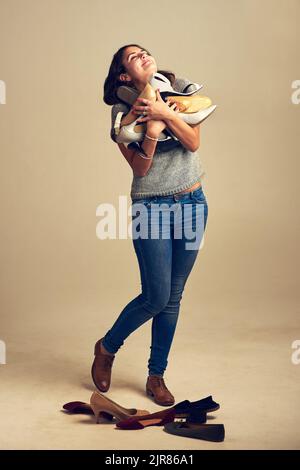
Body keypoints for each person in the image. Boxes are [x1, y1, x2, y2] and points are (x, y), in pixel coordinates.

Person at [92, 44, 209, 407]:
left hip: (193, 202)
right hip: (152, 208)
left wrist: (163, 111)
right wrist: (153, 128)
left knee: (172, 299)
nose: (143, 55)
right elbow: (140, 168)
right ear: (124, 76)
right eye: (133, 57)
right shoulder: (122, 115)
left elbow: (191, 141)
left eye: (145, 51)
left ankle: (156, 375)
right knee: (155, 297)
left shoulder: (180, 89)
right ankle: (107, 347)